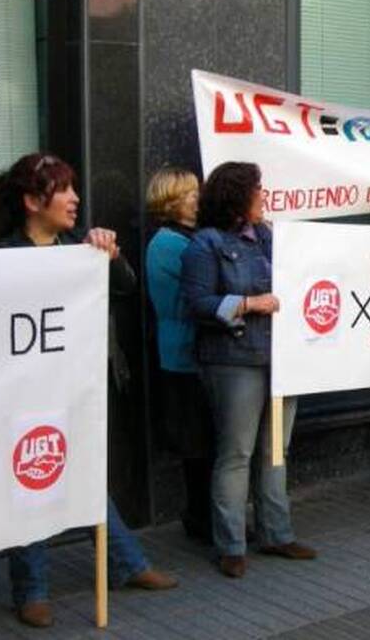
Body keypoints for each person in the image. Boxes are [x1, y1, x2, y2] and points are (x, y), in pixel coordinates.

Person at [0, 153, 177, 628]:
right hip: (23, 394)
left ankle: (125, 563)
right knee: (31, 481)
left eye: (73, 188)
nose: (75, 199)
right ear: (32, 202)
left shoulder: (79, 248)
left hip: (76, 388)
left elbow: (125, 286)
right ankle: (32, 589)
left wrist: (109, 255)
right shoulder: (2, 258)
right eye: (62, 190)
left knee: (84, 475)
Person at [180, 162, 316, 579]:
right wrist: (248, 304)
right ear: (236, 197)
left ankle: (276, 533)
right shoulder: (205, 243)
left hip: (281, 358)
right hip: (233, 359)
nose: (264, 196)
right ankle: (232, 544)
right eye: (258, 189)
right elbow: (197, 304)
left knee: (276, 450)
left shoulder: (269, 237)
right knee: (237, 453)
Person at [144, 167, 214, 542]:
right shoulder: (169, 244)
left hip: (192, 351)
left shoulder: (186, 238)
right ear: (170, 201)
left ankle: (204, 516)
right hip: (184, 354)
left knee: (203, 443)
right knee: (198, 446)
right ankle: (200, 517)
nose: (197, 198)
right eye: (189, 193)